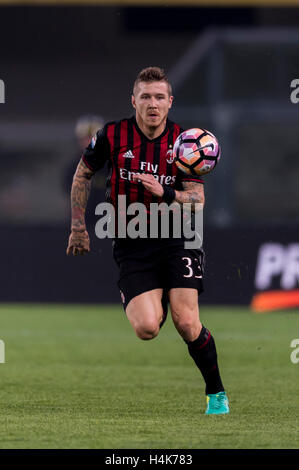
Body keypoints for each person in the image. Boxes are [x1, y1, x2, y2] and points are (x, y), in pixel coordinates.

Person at [66, 67, 229, 415]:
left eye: (159, 97)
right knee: (146, 328)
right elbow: (83, 174)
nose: (152, 104)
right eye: (145, 97)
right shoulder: (111, 135)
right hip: (132, 242)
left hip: (177, 239)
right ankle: (161, 296)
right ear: (133, 101)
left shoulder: (185, 142)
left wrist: (165, 192)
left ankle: (216, 393)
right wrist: (78, 226)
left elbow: (197, 201)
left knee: (186, 323)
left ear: (170, 102)